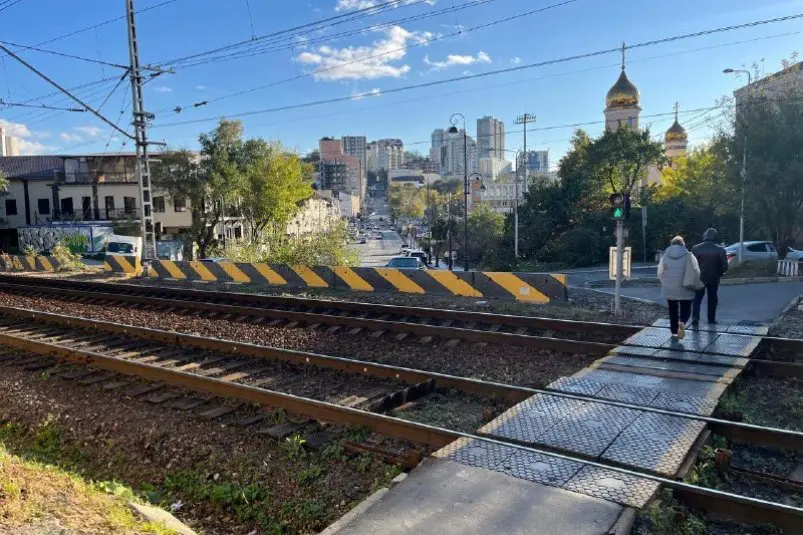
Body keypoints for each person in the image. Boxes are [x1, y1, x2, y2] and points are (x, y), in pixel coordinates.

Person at [658, 236, 701, 340]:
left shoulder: (665, 256)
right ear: (683, 244)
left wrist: (664, 281)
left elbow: (660, 272)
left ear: (672, 244)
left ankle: (674, 331)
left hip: (670, 286)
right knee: (686, 307)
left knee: (672, 309)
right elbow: (696, 270)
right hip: (685, 285)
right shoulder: (689, 255)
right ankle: (682, 322)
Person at [691, 228, 728, 326]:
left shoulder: (696, 248)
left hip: (699, 278)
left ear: (705, 236)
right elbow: (725, 265)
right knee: (712, 299)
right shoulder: (720, 249)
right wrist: (720, 273)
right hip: (714, 278)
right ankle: (711, 319)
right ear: (714, 237)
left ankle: (695, 318)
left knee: (697, 299)